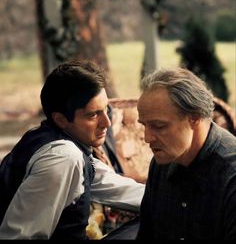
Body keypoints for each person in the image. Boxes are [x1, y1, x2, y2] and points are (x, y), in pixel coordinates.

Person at [0, 60, 145, 240]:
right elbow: (17, 236)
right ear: (61, 119)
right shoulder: (63, 158)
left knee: (160, 216)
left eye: (106, 109)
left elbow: (119, 188)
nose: (106, 123)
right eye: (93, 115)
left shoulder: (59, 142)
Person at [136, 67, 236, 241]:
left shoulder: (231, 176)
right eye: (144, 125)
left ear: (194, 117)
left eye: (159, 126)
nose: (147, 138)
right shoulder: (162, 161)